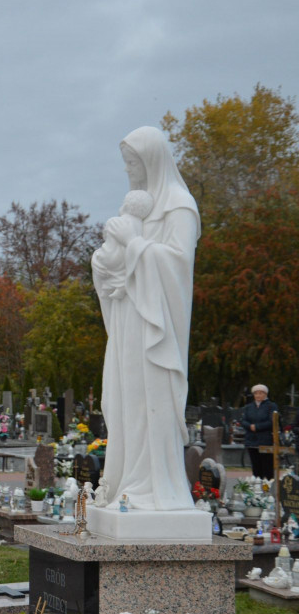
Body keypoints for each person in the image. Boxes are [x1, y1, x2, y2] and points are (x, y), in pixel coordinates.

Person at [91, 126, 201, 511]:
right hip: (127, 321)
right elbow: (109, 261)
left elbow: (177, 265)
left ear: (151, 160)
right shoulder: (135, 203)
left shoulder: (178, 206)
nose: (128, 171)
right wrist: (105, 260)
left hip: (156, 328)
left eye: (132, 163)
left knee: (146, 402)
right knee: (121, 399)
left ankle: (153, 486)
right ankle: (125, 480)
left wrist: (134, 243)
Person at [242, 384, 278, 479]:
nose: (258, 395)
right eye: (256, 393)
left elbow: (272, 422)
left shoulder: (271, 406)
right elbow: (243, 420)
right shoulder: (249, 407)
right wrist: (250, 426)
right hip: (251, 440)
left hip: (265, 440)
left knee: (267, 466)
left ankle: (268, 488)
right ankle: (257, 486)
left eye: (260, 393)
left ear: (265, 394)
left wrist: (257, 427)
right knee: (256, 466)